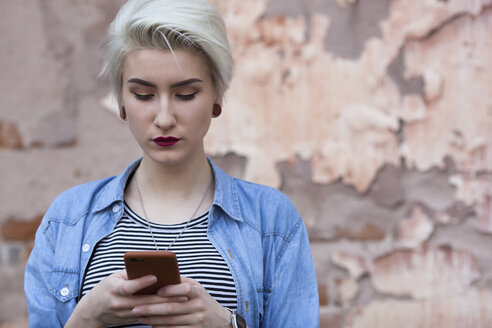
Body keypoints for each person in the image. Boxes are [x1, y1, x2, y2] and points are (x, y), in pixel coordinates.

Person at [24, 0, 319, 327]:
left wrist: (226, 324)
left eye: (186, 94)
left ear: (216, 97)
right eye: (143, 95)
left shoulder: (273, 221)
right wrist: (87, 318)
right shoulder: (67, 219)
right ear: (121, 101)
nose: (164, 118)